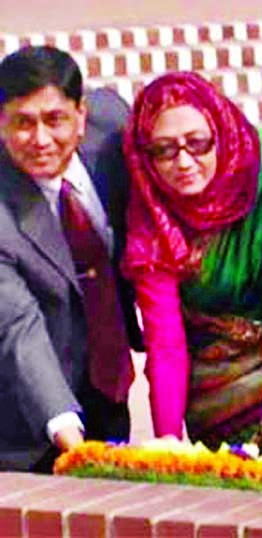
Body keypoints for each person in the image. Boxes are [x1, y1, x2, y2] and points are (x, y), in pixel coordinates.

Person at [121, 71, 262, 448]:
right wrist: (168, 440)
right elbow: (164, 340)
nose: (183, 162)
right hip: (216, 380)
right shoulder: (151, 208)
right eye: (164, 150)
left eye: (197, 143)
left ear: (221, 133)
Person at [0, 46, 141, 471]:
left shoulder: (115, 128)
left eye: (54, 120)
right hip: (24, 412)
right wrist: (69, 437)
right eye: (22, 123)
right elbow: (17, 325)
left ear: (81, 114)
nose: (40, 140)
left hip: (107, 376)